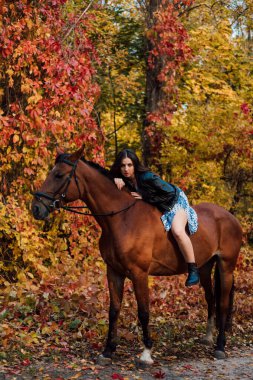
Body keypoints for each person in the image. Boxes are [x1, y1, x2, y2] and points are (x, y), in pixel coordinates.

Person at [110, 148, 199, 287]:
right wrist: (114, 178)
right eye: (122, 165)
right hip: (156, 204)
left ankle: (193, 269)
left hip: (174, 202)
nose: (126, 169)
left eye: (129, 165)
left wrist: (145, 197)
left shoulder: (147, 177)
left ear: (135, 165)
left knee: (178, 231)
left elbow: (169, 194)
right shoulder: (123, 177)